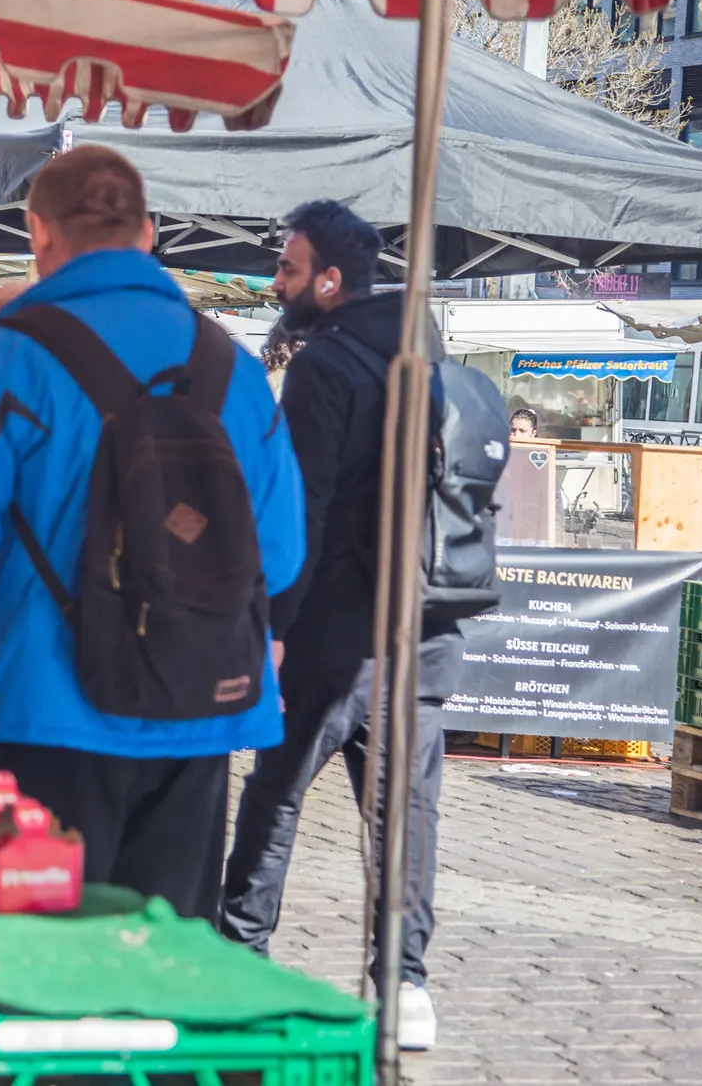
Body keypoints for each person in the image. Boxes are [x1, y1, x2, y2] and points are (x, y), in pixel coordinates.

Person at [0, 146, 303, 920]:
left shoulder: (8, 356)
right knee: (163, 969)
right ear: (150, 233)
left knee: (39, 975)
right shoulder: (232, 365)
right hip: (199, 713)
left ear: (38, 233)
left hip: (43, 714)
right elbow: (284, 556)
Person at [219, 199, 446, 1051]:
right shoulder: (427, 350)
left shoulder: (327, 365)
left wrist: (273, 625)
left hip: (333, 627)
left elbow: (300, 515)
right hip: (422, 627)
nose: (277, 282)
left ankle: (241, 949)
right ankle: (407, 983)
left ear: (331, 280)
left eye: (287, 268)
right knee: (404, 811)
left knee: (275, 791)